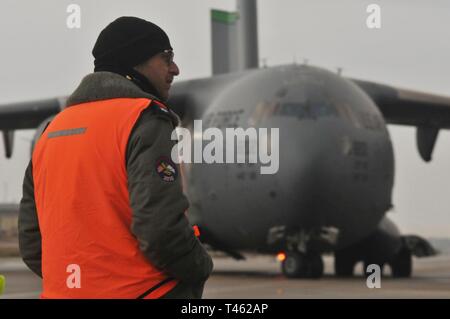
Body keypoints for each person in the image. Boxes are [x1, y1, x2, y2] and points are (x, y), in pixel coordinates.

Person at [18, 16, 213, 299]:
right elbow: (160, 230)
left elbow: (32, 240)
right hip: (145, 292)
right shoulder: (145, 118)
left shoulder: (52, 130)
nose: (175, 68)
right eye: (166, 56)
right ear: (136, 61)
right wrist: (200, 266)